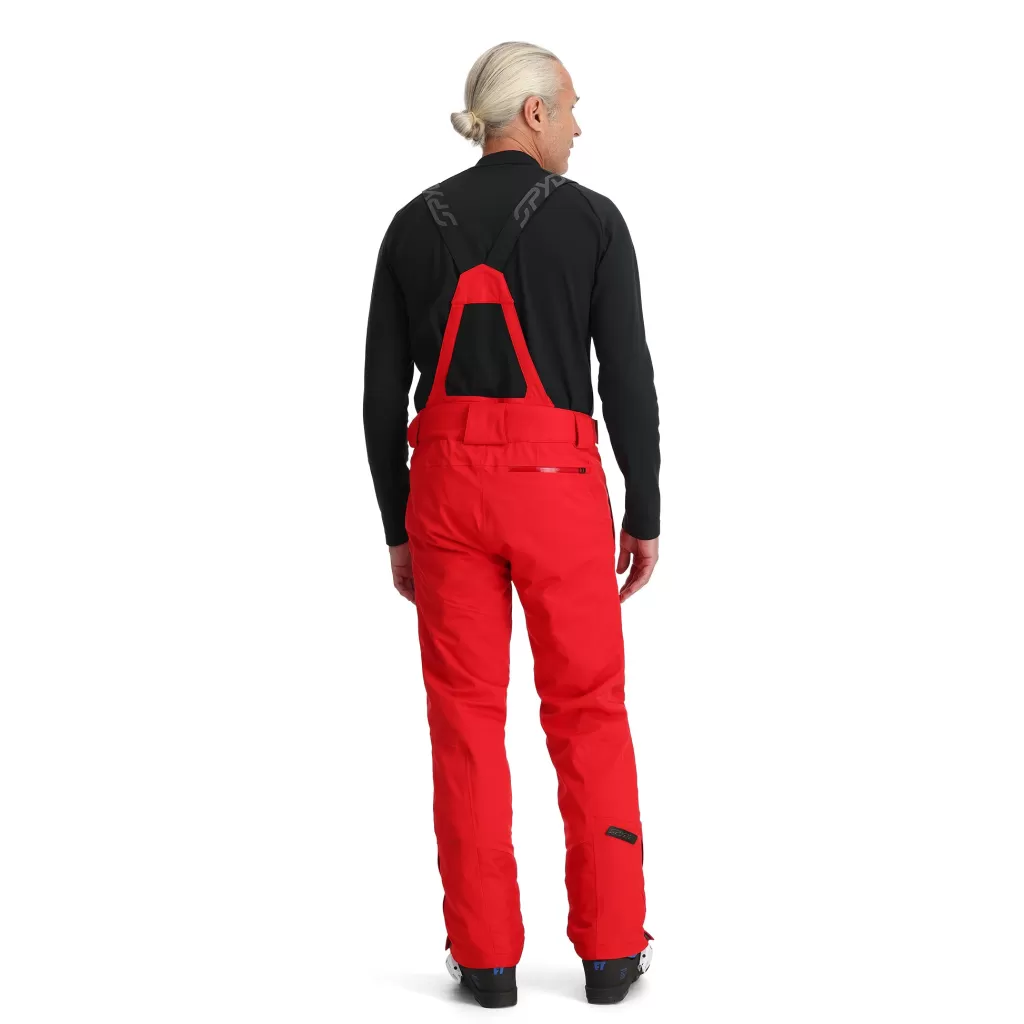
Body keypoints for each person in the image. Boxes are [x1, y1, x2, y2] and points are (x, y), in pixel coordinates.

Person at [363, 41, 660, 1007]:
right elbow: (627, 374)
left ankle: (486, 962)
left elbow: (380, 397)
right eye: (570, 107)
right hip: (557, 489)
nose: (578, 125)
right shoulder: (593, 220)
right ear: (532, 113)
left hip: (445, 497)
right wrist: (645, 508)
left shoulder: (412, 224)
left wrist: (397, 527)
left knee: (464, 722)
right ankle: (611, 953)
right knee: (588, 712)